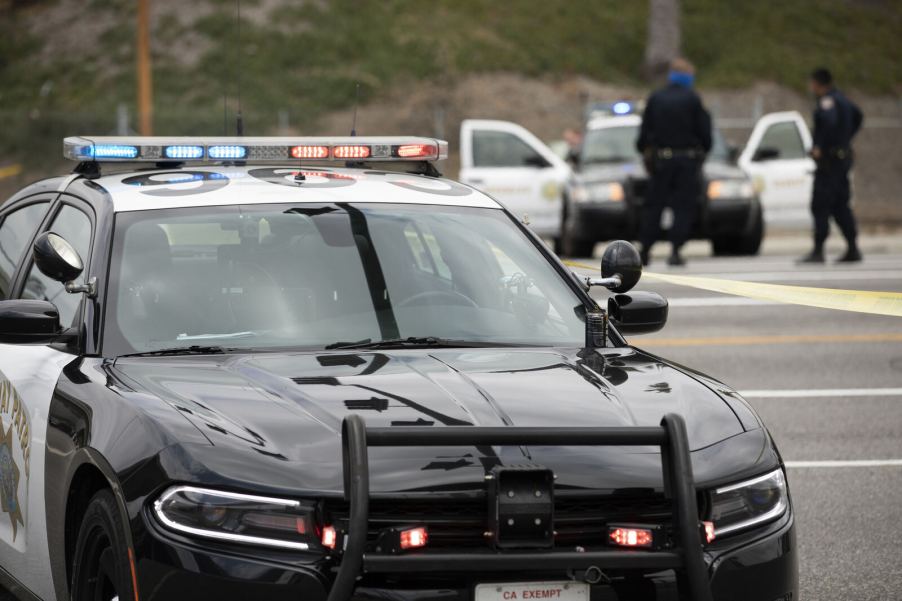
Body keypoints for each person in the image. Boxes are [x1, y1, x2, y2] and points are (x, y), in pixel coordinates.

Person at [636, 57, 712, 266]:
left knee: (654, 206)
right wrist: (702, 151)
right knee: (682, 207)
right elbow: (705, 134)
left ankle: (645, 250)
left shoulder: (656, 97)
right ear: (688, 77)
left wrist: (646, 150)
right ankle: (675, 251)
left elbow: (643, 135)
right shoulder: (693, 99)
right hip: (686, 161)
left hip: (660, 161)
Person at [799, 67, 864, 263]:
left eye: (812, 83)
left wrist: (820, 146)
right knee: (840, 205)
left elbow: (829, 122)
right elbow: (858, 116)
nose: (811, 87)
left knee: (820, 205)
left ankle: (818, 250)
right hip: (842, 161)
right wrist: (845, 140)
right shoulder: (843, 100)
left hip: (828, 163)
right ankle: (853, 248)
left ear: (818, 83)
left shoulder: (827, 102)